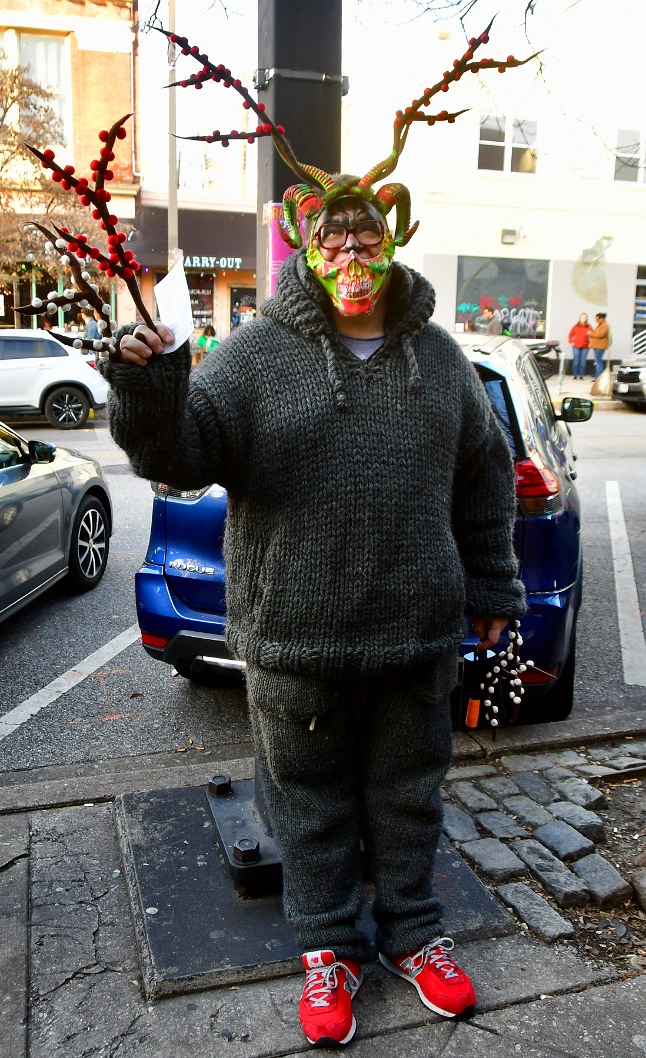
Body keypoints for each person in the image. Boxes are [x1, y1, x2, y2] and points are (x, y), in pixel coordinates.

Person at [101, 173, 525, 1046]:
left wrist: (492, 586)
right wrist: (149, 381)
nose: (350, 257)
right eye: (332, 241)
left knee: (410, 795)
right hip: (296, 638)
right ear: (306, 245)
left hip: (416, 637)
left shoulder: (439, 358)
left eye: (367, 239)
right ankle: (327, 947)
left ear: (393, 240)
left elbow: (485, 478)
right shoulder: (257, 354)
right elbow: (176, 456)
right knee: (307, 804)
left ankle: (414, 930)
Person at [568, 313, 592, 380]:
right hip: (576, 346)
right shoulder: (576, 326)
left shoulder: (589, 327)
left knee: (583, 361)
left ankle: (581, 375)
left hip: (585, 346)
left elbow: (593, 335)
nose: (584, 318)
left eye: (585, 317)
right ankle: (575, 375)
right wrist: (571, 341)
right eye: (583, 317)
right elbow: (570, 335)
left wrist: (591, 343)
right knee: (576, 361)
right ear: (580, 318)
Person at [589, 312, 610, 378]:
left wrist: (591, 333)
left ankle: (598, 377)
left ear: (602, 318)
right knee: (597, 362)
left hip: (600, 346)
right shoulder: (601, 325)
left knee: (599, 362)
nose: (596, 321)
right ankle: (597, 375)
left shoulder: (605, 325)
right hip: (597, 346)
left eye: (597, 319)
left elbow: (600, 334)